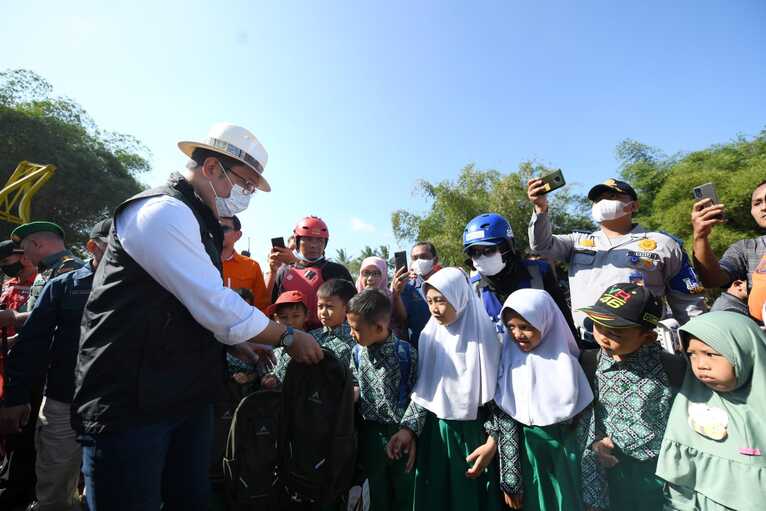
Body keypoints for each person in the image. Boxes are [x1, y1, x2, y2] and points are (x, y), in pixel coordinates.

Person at [71, 122, 322, 511]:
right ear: (210, 168)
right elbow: (212, 301)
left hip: (181, 396)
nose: (246, 195)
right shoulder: (161, 213)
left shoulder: (198, 220)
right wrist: (287, 337)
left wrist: (237, 340)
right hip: (130, 402)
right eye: (244, 183)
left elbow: (187, 306)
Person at [0, 218, 110, 511]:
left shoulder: (143, 286)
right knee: (54, 487)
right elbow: (34, 341)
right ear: (93, 247)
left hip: (118, 403)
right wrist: (16, 396)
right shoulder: (64, 283)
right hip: (64, 397)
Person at [528, 177, 706, 344]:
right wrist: (540, 209)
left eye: (612, 196)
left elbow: (688, 302)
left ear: (634, 206)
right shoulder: (577, 242)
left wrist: (699, 341)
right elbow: (541, 245)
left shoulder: (663, 244)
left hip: (640, 344)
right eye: (598, 200)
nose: (603, 202)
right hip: (586, 343)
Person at [387, 267, 502, 511]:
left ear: (460, 297)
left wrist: (493, 441)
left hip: (475, 436)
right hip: (437, 436)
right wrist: (408, 429)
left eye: (441, 300)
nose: (434, 309)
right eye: (429, 301)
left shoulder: (486, 337)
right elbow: (425, 389)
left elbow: (498, 398)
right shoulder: (430, 335)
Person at [577, 283, 684, 511]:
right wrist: (597, 441)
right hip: (611, 471)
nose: (603, 337)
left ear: (647, 337)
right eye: (598, 326)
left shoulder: (672, 368)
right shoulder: (589, 362)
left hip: (660, 473)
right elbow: (590, 415)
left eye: (615, 333)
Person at [489, 288, 592, 511]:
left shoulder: (566, 366)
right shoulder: (509, 364)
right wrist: (510, 476)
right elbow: (506, 418)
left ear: (545, 322)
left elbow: (584, 424)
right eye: (511, 327)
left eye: (525, 327)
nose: (517, 334)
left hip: (564, 459)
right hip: (527, 458)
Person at [656, 311, 766, 509]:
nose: (701, 365)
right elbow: (678, 480)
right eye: (691, 354)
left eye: (711, 354)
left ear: (745, 352)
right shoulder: (691, 401)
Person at [346, 289, 418, 511]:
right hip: (371, 434)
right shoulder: (358, 353)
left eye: (356, 329)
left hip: (401, 435)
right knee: (377, 493)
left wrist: (411, 431)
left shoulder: (406, 354)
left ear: (379, 327)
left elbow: (420, 397)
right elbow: (355, 383)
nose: (351, 334)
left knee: (405, 492)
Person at [463, 213, 574, 335]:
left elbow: (564, 323)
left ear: (507, 247)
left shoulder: (539, 272)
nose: (482, 257)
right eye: (474, 252)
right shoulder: (473, 287)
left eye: (489, 250)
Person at [271, 216, 353, 330]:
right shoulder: (283, 271)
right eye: (308, 239)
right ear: (298, 241)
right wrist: (272, 272)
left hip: (328, 337)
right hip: (289, 335)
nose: (314, 245)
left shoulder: (337, 270)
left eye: (319, 240)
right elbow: (271, 305)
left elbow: (353, 307)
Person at [0, 222, 85, 330]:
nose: (24, 256)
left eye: (24, 249)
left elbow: (70, 317)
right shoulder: (46, 270)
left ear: (36, 244)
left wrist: (15, 318)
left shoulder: (72, 269)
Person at [691, 179, 766, 289]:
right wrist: (700, 237)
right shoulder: (745, 249)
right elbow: (713, 281)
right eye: (757, 203)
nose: (763, 207)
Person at [260, 290, 313, 387]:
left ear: (306, 316)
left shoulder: (311, 345)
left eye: (296, 316)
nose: (290, 322)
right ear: (276, 318)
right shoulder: (270, 345)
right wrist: (268, 378)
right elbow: (265, 371)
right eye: (284, 317)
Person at [220, 215, 270, 313]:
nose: (217, 231)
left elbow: (261, 307)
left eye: (224, 228)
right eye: (214, 226)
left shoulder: (252, 266)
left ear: (238, 235)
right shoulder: (200, 261)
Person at [397, 241, 440, 347]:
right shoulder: (407, 287)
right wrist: (396, 293)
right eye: (415, 258)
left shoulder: (446, 282)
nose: (419, 261)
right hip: (420, 345)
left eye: (424, 257)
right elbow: (403, 318)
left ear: (435, 260)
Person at [357, 256, 408, 329]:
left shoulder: (390, 297)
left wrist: (396, 295)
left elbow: (402, 319)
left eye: (375, 273)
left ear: (383, 275)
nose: (370, 278)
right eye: (366, 273)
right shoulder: (353, 297)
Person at [311, 278, 357, 351]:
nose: (323, 312)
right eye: (320, 306)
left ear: (347, 308)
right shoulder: (312, 338)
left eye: (329, 307)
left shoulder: (356, 338)